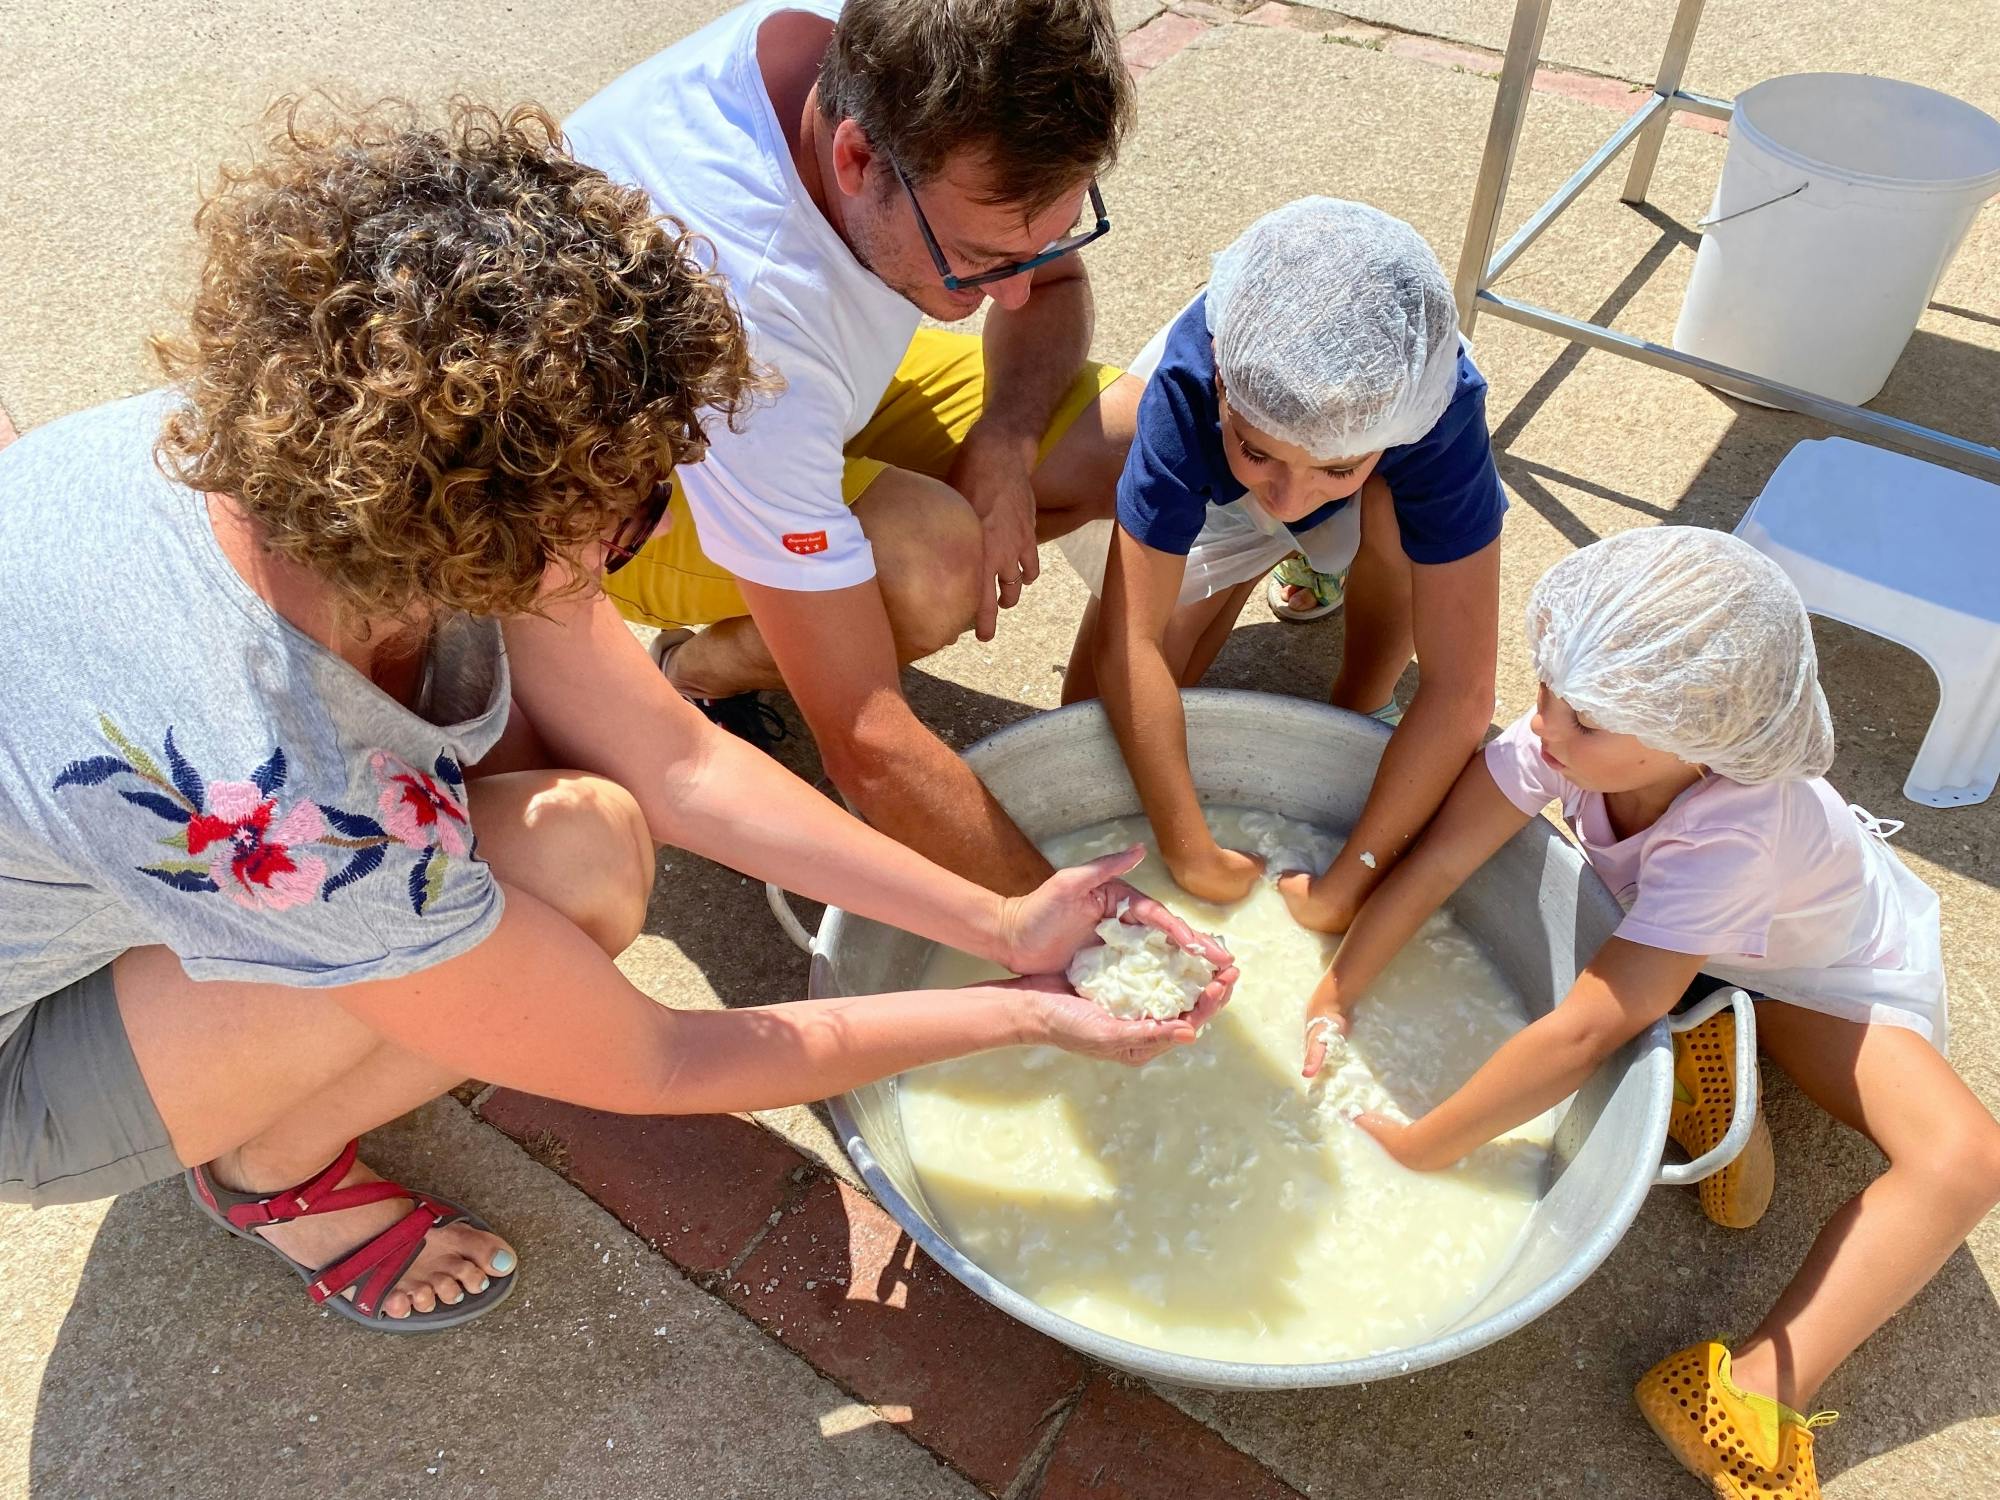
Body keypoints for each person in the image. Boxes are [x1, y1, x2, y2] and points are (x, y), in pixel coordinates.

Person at [0, 100, 1235, 1332]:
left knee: (580, 825)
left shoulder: (327, 452)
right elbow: (654, 1059)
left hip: (125, 846)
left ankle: (303, 992)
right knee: (570, 869)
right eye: (634, 515)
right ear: (479, 512)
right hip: (28, 1051)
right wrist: (1022, 1011)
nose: (644, 535)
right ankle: (271, 1176)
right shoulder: (289, 803)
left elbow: (674, 758)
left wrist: (1004, 920)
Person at [1299, 527, 1999, 1497]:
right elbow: (1442, 858)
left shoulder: (1734, 836)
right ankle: (1709, 1040)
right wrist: (1337, 989)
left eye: (1577, 715)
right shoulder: (1580, 733)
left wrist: (1431, 1142)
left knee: (1966, 1159)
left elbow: (1592, 1024)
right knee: (1661, 998)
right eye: (1543, 688)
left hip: (1825, 977)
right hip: (1703, 941)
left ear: (1698, 735)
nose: (1540, 724)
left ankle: (1747, 1389)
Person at [563, 0, 1140, 894]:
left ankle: (827, 574)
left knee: (1138, 439)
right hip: (637, 496)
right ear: (858, 156)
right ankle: (687, 671)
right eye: (979, 261)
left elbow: (1048, 276)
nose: (1017, 295)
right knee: (932, 561)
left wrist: (1005, 444)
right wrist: (1091, 932)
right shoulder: (748, 314)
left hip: (809, 393)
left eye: (1051, 230)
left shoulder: (903, 42)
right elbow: (867, 745)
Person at [1060, 199, 1505, 906]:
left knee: (1388, 521)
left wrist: (1351, 882)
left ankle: (1357, 707)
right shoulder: (1191, 383)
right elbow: (1129, 643)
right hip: (1226, 474)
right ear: (1220, 387)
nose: (1289, 499)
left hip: (1369, 493)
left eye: (1335, 468)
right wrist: (1188, 848)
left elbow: (1463, 691)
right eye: (1258, 450)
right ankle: (1279, 533)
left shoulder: (1436, 413)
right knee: (1088, 720)